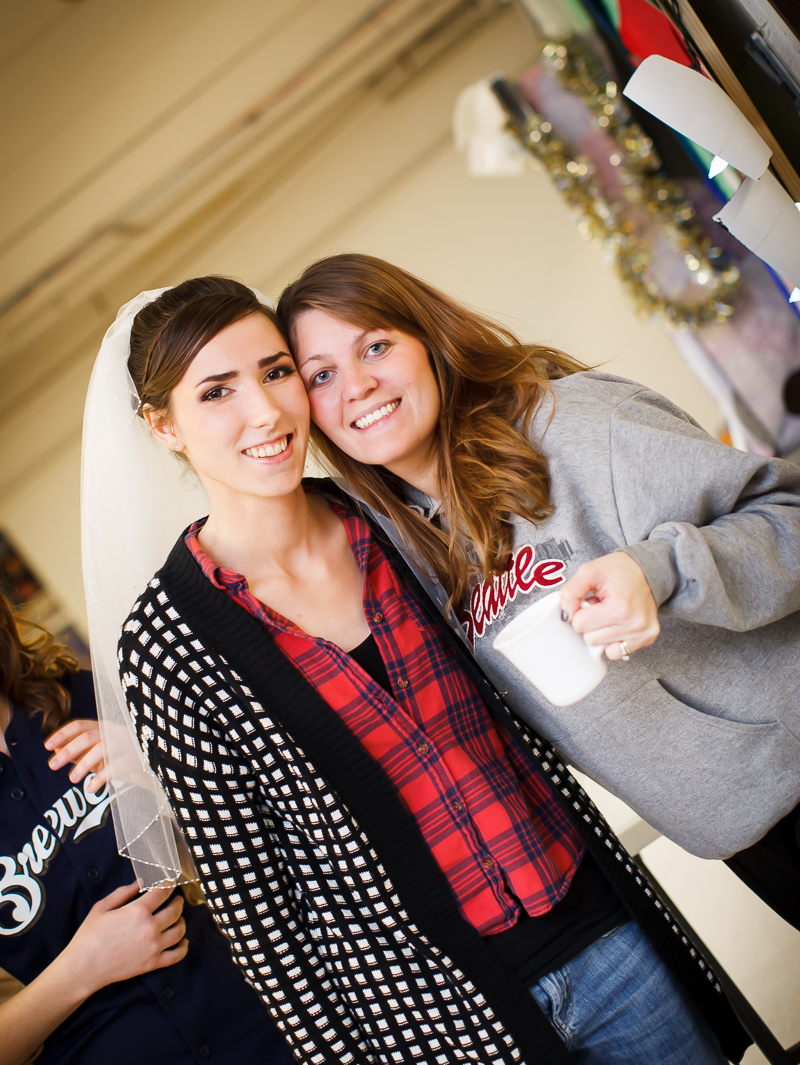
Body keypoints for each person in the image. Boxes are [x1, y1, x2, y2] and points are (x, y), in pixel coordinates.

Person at [93, 275, 781, 1065]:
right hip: (450, 1033)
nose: (263, 411)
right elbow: (262, 918)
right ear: (163, 426)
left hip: (606, 942)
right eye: (216, 392)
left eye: (276, 371)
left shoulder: (387, 518)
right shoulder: (168, 643)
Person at [276, 252, 800, 930]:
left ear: (426, 339)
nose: (359, 385)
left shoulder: (574, 425)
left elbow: (790, 518)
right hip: (740, 832)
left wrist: (660, 571)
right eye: (322, 375)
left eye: (375, 346)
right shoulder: (400, 552)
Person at [0, 592, 382, 1065]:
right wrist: (82, 969)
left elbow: (257, 835)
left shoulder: (84, 694)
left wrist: (157, 772)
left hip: (286, 1056)